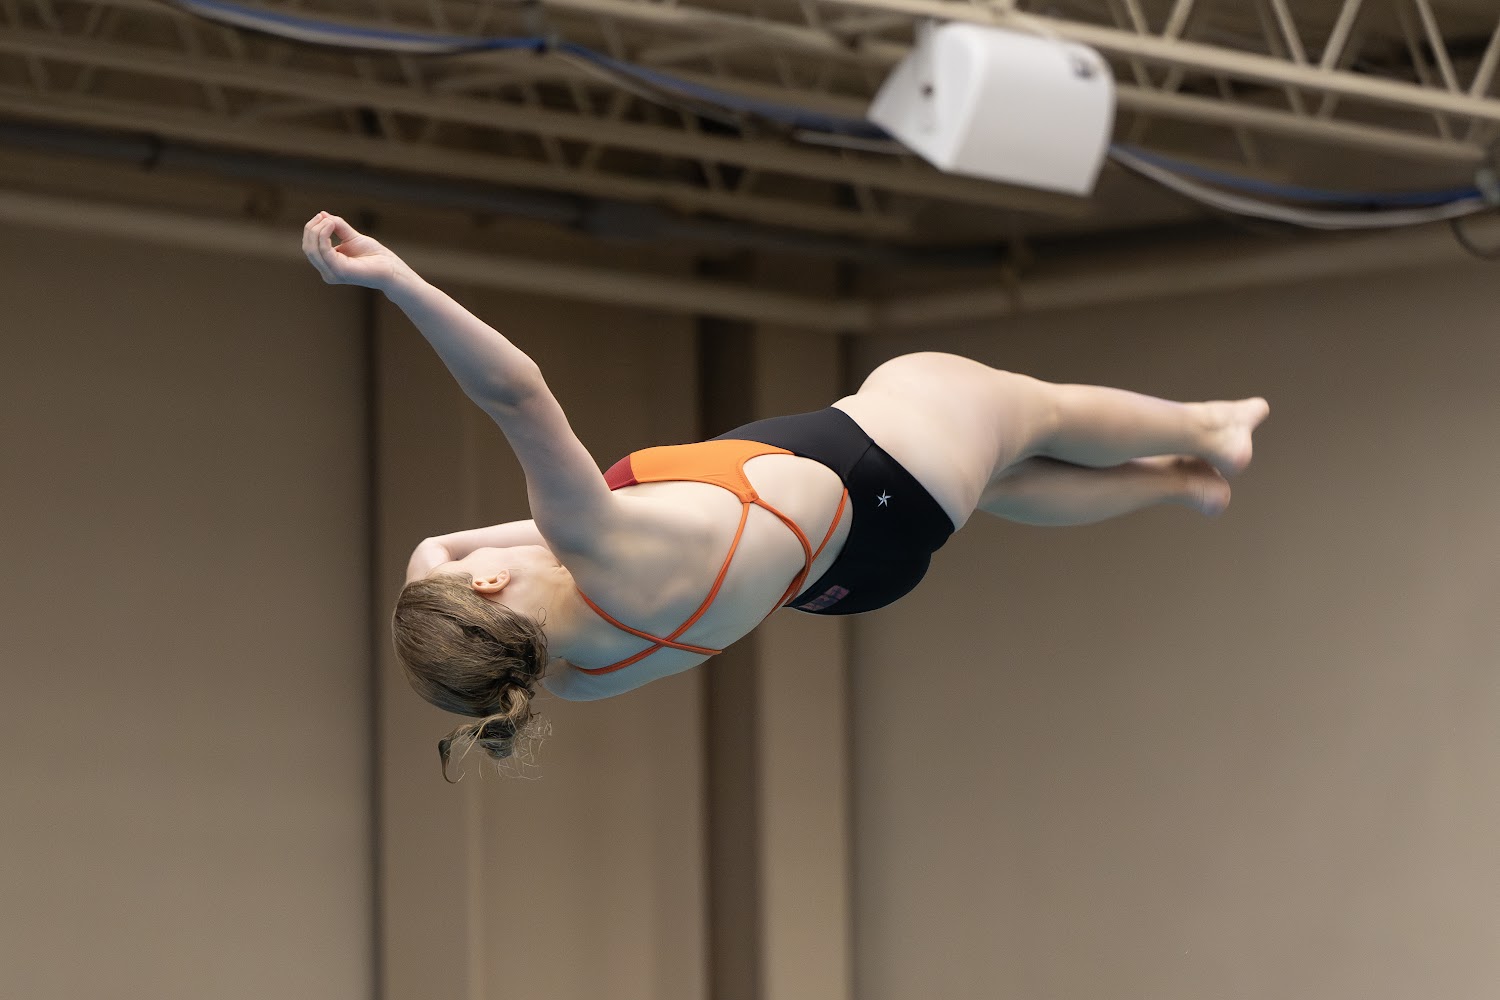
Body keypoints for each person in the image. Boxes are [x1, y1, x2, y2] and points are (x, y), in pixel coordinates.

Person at [302, 212, 1269, 778]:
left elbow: (465, 570)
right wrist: (397, 280)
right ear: (484, 589)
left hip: (858, 574)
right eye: (467, 571)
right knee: (1032, 412)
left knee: (999, 484)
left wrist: (445, 595)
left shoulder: (580, 673)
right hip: (883, 465)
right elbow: (513, 392)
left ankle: (1173, 485)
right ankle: (1206, 429)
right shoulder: (584, 532)